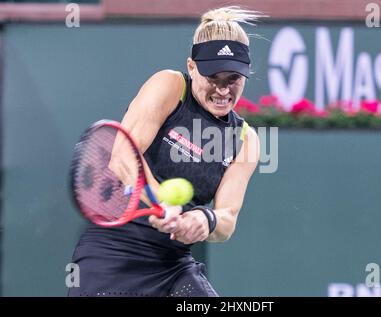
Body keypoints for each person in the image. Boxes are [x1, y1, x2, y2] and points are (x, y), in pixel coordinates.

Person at [68, 6, 262, 297]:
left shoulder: (246, 140)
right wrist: (160, 199)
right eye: (213, 78)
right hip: (114, 254)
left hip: (174, 265)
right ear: (192, 66)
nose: (223, 91)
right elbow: (123, 155)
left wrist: (204, 221)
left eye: (232, 79)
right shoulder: (169, 86)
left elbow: (227, 221)